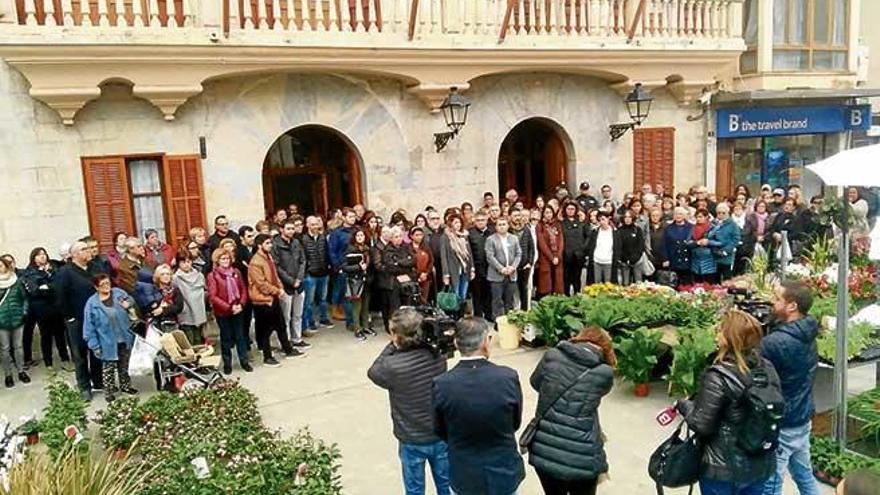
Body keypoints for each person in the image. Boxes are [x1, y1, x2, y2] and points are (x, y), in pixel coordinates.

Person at [677, 309, 781, 495]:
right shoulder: (767, 368)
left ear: (729, 337)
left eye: (720, 330)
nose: (716, 335)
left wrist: (684, 406)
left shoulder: (719, 375)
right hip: (759, 462)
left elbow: (702, 425)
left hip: (722, 467)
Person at [432, 317, 524, 495]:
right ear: (485, 342)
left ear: (456, 343)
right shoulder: (507, 377)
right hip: (503, 471)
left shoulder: (442, 383)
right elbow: (515, 422)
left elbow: (440, 429)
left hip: (464, 473)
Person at [368, 308, 450, 495]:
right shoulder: (438, 356)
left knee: (414, 489)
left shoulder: (391, 366)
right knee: (446, 485)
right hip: (439, 433)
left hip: (411, 437)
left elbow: (373, 371)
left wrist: (392, 345)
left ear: (397, 336)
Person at [528, 326, 615, 495]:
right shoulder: (604, 373)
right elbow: (601, 392)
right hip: (583, 458)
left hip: (544, 451)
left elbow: (535, 382)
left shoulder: (551, 356)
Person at [761, 281, 820, 495]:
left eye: (777, 299)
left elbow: (757, 379)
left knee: (771, 485)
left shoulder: (775, 342)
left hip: (783, 422)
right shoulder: (808, 330)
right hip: (802, 417)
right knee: (804, 476)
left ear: (792, 306)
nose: (772, 302)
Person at [56, 241, 103, 400]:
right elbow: (61, 296)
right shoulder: (65, 272)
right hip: (77, 318)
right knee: (80, 354)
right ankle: (84, 386)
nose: (88, 251)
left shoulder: (95, 268)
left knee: (97, 351)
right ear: (74, 254)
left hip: (96, 316)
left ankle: (98, 381)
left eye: (89, 248)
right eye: (84, 249)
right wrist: (69, 317)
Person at [82, 274, 137, 403]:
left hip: (124, 337)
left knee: (124, 365)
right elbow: (89, 327)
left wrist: (127, 303)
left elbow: (131, 300)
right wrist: (94, 345)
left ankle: (126, 386)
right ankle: (109, 391)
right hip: (106, 341)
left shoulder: (118, 293)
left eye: (108, 283)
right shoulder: (92, 304)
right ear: (96, 287)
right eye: (103, 285)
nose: (107, 286)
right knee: (108, 368)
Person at [249, 234, 301, 367]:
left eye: (270, 243)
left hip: (273, 297)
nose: (270, 245)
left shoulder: (268, 257)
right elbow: (261, 284)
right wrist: (277, 291)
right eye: (267, 243)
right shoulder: (255, 262)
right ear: (260, 245)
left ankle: (287, 349)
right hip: (263, 300)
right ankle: (267, 357)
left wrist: (280, 288)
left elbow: (275, 276)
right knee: (265, 330)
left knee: (281, 325)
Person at [22, 247, 70, 369]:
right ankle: (49, 364)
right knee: (46, 336)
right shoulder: (30, 272)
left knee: (60, 335)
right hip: (42, 309)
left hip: (56, 306)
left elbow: (59, 285)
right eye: (38, 255)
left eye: (44, 254)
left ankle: (65, 359)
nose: (42, 256)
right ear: (33, 258)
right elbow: (35, 291)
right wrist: (47, 287)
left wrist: (47, 285)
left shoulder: (54, 268)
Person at [207, 249, 252, 374]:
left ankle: (244, 361)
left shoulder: (236, 272)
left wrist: (241, 304)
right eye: (223, 259)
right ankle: (227, 363)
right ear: (217, 260)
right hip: (223, 311)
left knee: (240, 336)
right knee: (226, 338)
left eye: (227, 258)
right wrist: (228, 307)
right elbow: (213, 296)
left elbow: (243, 288)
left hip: (238, 309)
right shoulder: (213, 275)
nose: (226, 261)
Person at [273, 220, 311, 351]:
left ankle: (297, 338)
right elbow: (277, 266)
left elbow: (303, 260)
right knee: (285, 315)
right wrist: (290, 280)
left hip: (299, 283)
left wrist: (299, 278)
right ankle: (286, 341)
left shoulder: (296, 243)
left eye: (292, 228)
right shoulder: (275, 245)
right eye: (288, 228)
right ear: (281, 229)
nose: (291, 231)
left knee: (298, 314)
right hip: (285, 285)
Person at [0, 256, 29, 388]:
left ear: (6, 266)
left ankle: (21, 371)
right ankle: (8, 374)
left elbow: (24, 299)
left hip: (17, 318)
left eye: (1, 265)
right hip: (2, 320)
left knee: (18, 347)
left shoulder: (16, 281)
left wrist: (24, 312)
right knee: (5, 349)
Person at [485, 217, 522, 321]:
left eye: (504, 224)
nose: (502, 226)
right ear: (496, 227)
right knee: (497, 301)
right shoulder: (491, 239)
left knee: (509, 301)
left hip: (511, 275)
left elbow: (518, 254)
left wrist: (513, 267)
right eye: (499, 225)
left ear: (508, 225)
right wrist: (502, 269)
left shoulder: (514, 238)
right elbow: (490, 257)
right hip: (496, 276)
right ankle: (498, 322)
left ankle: (510, 321)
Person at [301, 216, 333, 332]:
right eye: (313, 224)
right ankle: (310, 322)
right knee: (309, 301)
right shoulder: (303, 239)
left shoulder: (323, 238)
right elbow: (303, 257)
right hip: (311, 274)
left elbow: (327, 253)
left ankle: (324, 318)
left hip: (324, 272)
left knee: (323, 299)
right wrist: (306, 270)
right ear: (307, 225)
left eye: (316, 224)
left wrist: (329, 267)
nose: (315, 227)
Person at [344, 228, 375, 341]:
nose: (360, 238)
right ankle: (357, 328)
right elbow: (345, 266)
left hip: (367, 280)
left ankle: (366, 326)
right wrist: (358, 267)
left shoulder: (368, 249)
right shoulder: (350, 249)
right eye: (358, 236)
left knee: (366, 305)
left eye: (362, 235)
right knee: (357, 306)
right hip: (356, 280)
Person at [329, 208, 357, 328]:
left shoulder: (357, 230)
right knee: (346, 294)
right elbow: (332, 251)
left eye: (354, 216)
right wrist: (337, 266)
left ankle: (358, 319)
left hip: (357, 266)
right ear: (344, 218)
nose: (353, 219)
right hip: (343, 266)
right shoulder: (337, 233)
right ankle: (350, 321)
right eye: (350, 217)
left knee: (357, 294)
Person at [172, 251, 208, 345]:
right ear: (178, 263)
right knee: (189, 341)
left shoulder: (199, 275)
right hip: (186, 313)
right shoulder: (176, 278)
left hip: (200, 312)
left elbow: (204, 290)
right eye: (183, 262)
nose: (186, 265)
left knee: (199, 340)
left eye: (188, 261)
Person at [440, 214, 474, 307]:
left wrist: (472, 268)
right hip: (453, 270)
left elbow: (469, 253)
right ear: (450, 224)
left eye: (459, 222)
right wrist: (446, 274)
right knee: (455, 294)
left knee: (463, 294)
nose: (458, 224)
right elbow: (444, 256)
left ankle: (462, 314)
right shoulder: (445, 237)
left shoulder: (464, 236)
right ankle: (455, 316)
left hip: (465, 269)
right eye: (455, 222)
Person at [383, 227, 416, 317]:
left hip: (407, 280)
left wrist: (399, 262)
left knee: (407, 305)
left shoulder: (407, 247)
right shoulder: (388, 250)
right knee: (395, 306)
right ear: (391, 238)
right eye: (396, 237)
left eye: (400, 236)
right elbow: (391, 267)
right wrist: (405, 263)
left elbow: (413, 260)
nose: (399, 239)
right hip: (394, 282)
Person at [705, 203, 741, 282]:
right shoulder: (713, 223)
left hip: (726, 256)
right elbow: (708, 236)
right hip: (714, 256)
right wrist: (714, 248)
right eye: (719, 213)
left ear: (728, 213)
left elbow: (736, 240)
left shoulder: (733, 225)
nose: (721, 215)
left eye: (723, 213)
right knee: (714, 280)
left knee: (726, 280)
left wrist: (725, 250)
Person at [468, 212, 494, 319]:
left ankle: (488, 315)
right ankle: (478, 317)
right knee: (477, 295)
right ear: (474, 221)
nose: (480, 222)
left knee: (489, 293)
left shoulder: (492, 232)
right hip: (476, 269)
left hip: (490, 269)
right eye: (478, 220)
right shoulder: (470, 233)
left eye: (482, 220)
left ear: (486, 220)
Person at [510, 210, 536, 311]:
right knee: (511, 290)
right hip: (511, 266)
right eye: (514, 215)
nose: (517, 217)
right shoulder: (508, 230)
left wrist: (530, 262)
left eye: (518, 215)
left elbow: (531, 248)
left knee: (523, 289)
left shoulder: (526, 229)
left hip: (524, 265)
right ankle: (512, 310)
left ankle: (524, 311)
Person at [536, 205, 564, 297]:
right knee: (546, 281)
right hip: (545, 257)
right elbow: (541, 243)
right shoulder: (540, 226)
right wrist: (551, 257)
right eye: (546, 212)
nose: (549, 215)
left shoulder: (557, 225)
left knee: (557, 281)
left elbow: (561, 241)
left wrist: (558, 256)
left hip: (557, 257)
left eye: (550, 212)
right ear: (543, 214)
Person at [561, 202, 588, 295]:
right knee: (566, 278)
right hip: (566, 255)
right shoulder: (562, 223)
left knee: (577, 278)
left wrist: (583, 248)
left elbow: (588, 237)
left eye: (572, 209)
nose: (570, 211)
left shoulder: (581, 223)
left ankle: (577, 295)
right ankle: (566, 296)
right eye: (568, 209)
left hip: (578, 255)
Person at [663, 207, 694, 286]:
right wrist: (666, 259)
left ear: (684, 215)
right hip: (674, 259)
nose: (678, 216)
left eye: (680, 214)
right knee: (674, 284)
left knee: (687, 285)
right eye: (676, 214)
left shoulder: (691, 227)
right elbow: (664, 244)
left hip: (688, 260)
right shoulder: (668, 228)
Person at [586, 212, 617, 285]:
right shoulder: (595, 232)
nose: (602, 222)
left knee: (608, 284)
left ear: (608, 219)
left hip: (608, 261)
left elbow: (617, 247)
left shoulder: (614, 232)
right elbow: (590, 245)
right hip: (597, 261)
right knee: (596, 284)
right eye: (599, 220)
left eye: (603, 219)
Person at [617, 209, 645, 286]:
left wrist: (635, 258)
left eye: (629, 217)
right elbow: (618, 246)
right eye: (626, 217)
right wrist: (625, 259)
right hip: (624, 261)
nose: (627, 219)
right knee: (625, 283)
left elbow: (641, 245)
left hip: (636, 260)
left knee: (638, 284)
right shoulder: (619, 230)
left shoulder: (637, 229)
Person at [690, 209, 717, 283]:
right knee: (697, 285)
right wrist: (697, 243)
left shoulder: (713, 229)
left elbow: (719, 242)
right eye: (697, 217)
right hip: (695, 261)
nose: (698, 219)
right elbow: (688, 243)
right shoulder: (692, 228)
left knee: (709, 284)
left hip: (709, 260)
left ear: (706, 217)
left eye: (700, 217)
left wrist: (708, 242)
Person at [410, 227, 434, 305]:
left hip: (426, 278)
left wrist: (426, 273)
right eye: (417, 235)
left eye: (421, 235)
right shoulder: (408, 248)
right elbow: (409, 263)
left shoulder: (426, 247)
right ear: (412, 236)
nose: (419, 237)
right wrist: (418, 274)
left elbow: (431, 261)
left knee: (424, 299)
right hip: (414, 278)